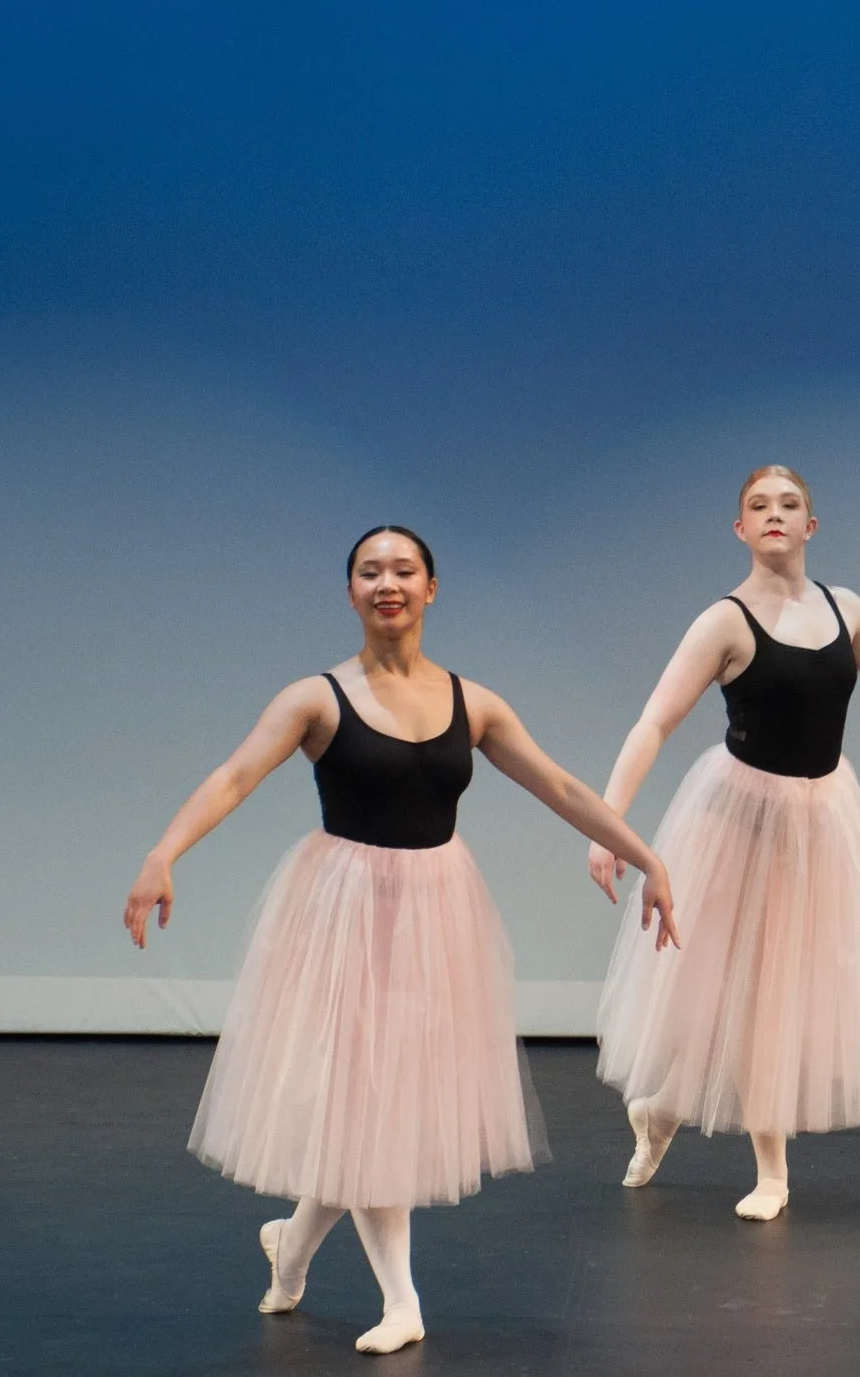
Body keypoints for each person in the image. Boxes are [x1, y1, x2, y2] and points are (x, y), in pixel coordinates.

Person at [123, 526, 678, 1354]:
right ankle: (402, 1300)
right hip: (342, 910)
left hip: (436, 912)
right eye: (370, 571)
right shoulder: (314, 699)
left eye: (404, 570)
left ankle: (289, 1250)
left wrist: (647, 856)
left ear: (431, 588)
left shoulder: (474, 702)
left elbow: (559, 783)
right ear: (350, 591)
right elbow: (234, 776)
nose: (388, 582)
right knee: (369, 1100)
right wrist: (163, 852)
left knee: (377, 1105)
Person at [591, 465, 860, 1220]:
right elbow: (652, 721)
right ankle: (709, 1137)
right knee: (715, 986)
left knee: (778, 985)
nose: (773, 514)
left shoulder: (846, 612)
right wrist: (608, 824)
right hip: (736, 817)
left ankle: (715, 1141)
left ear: (811, 526)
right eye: (758, 505)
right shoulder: (723, 621)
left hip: (820, 818)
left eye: (789, 504)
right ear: (740, 529)